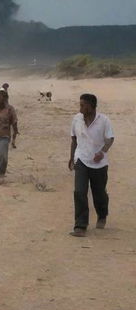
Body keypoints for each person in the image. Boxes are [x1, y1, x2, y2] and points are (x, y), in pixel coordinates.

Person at [68, 94, 114, 237]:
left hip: (99, 163)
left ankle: (102, 214)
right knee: (79, 192)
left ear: (91, 106)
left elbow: (110, 139)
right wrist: (71, 158)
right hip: (81, 159)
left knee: (99, 193)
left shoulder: (104, 120)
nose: (80, 108)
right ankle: (80, 225)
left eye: (83, 105)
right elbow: (74, 140)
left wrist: (102, 152)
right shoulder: (77, 119)